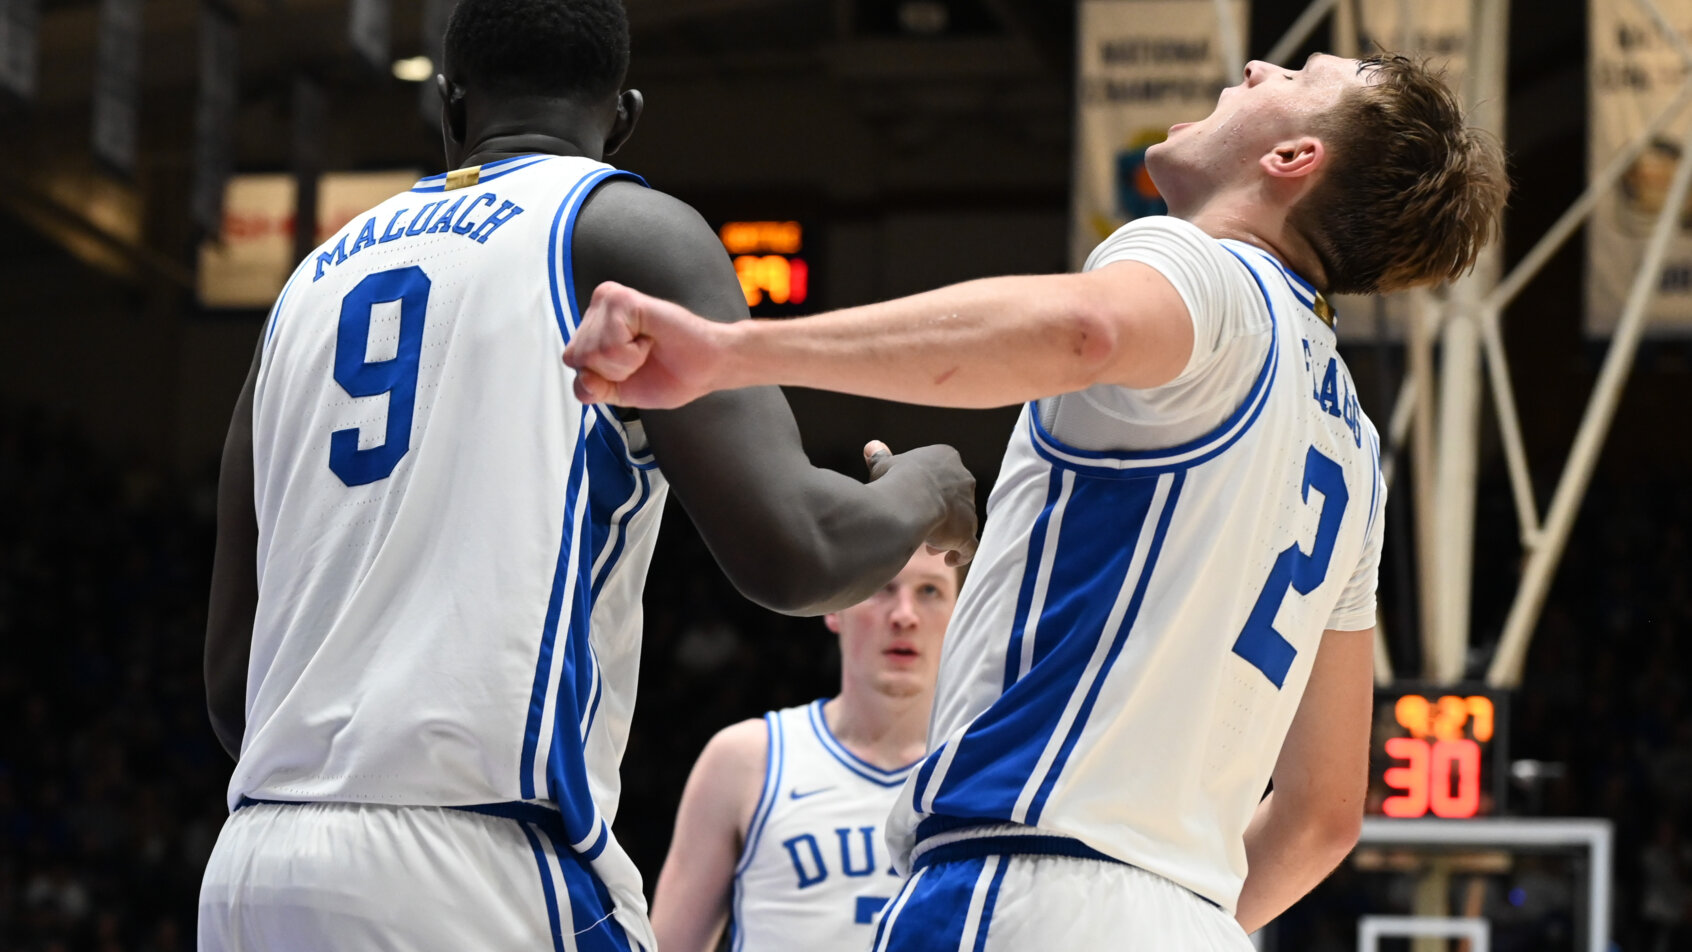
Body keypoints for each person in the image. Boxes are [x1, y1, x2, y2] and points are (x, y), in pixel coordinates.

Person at [563, 52, 1507, 949]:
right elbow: (1322, 817)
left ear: (1293, 159)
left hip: (1025, 877)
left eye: (1298, 80)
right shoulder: (1351, 441)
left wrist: (731, 353)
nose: (1259, 69)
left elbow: (1089, 331)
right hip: (1197, 921)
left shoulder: (1212, 272)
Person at [196, 0, 978, 948]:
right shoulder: (626, 232)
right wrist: (931, 483)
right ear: (624, 118)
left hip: (252, 872)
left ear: (450, 111)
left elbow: (236, 688)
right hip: (472, 863)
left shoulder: (303, 288)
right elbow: (801, 552)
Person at [651, 548, 961, 952]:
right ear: (834, 607)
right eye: (882, 588)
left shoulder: (985, 773)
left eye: (930, 591)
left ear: (961, 614)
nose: (905, 614)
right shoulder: (745, 760)